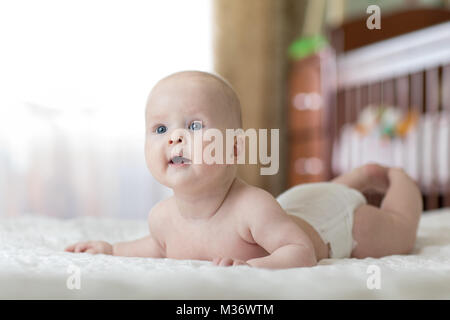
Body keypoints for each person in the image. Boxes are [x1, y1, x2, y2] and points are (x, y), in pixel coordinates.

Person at [65, 71, 423, 269]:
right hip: (297, 203)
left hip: (335, 224)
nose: (174, 138)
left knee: (399, 232)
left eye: (193, 127)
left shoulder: (252, 207)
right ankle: (358, 178)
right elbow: (157, 248)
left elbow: (301, 251)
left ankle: (397, 177)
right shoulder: (161, 218)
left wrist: (254, 269)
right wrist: (111, 250)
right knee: (321, 192)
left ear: (235, 147)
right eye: (160, 130)